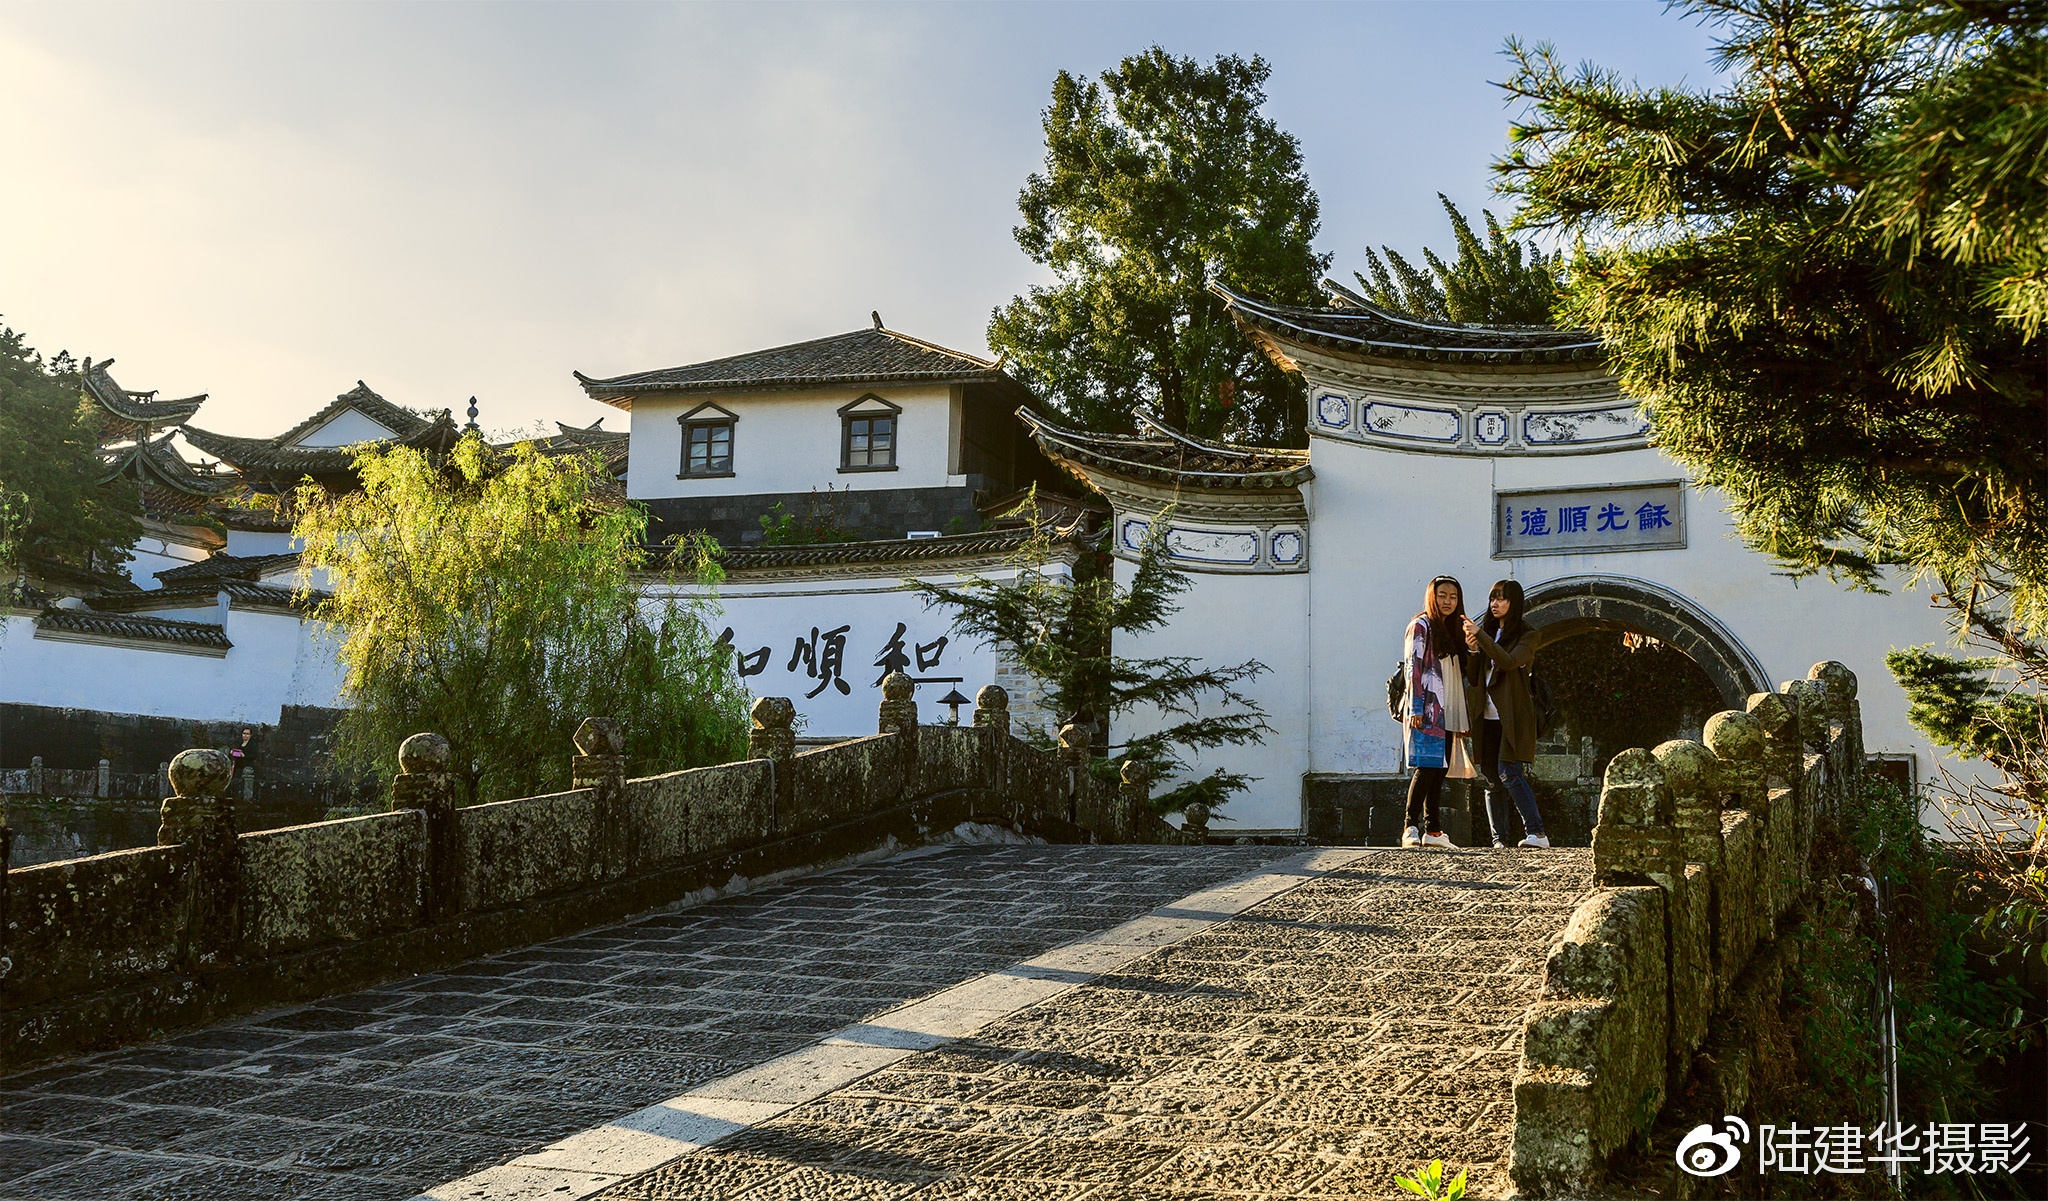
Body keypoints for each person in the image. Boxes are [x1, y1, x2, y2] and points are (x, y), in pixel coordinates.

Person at [1463, 580, 1550, 848]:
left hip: (1511, 715)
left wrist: (1482, 638)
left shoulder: (1527, 635)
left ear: (1515, 603)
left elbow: (1509, 662)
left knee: (1509, 772)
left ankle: (1537, 833)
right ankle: (1499, 839)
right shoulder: (1487, 632)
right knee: (1491, 778)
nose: (1495, 604)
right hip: (1485, 714)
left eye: (1502, 599)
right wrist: (1474, 649)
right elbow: (1475, 677)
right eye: (1492, 599)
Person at [1402, 575, 1483, 847]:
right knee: (1426, 766)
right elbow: (1413, 667)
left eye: (1453, 597)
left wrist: (1472, 649)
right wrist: (1415, 707)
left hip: (1450, 705)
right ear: (1431, 597)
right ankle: (1410, 827)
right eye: (1442, 595)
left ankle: (1433, 830)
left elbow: (1469, 675)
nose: (1448, 601)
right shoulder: (1421, 625)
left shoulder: (1455, 629)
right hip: (1427, 706)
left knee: (1440, 767)